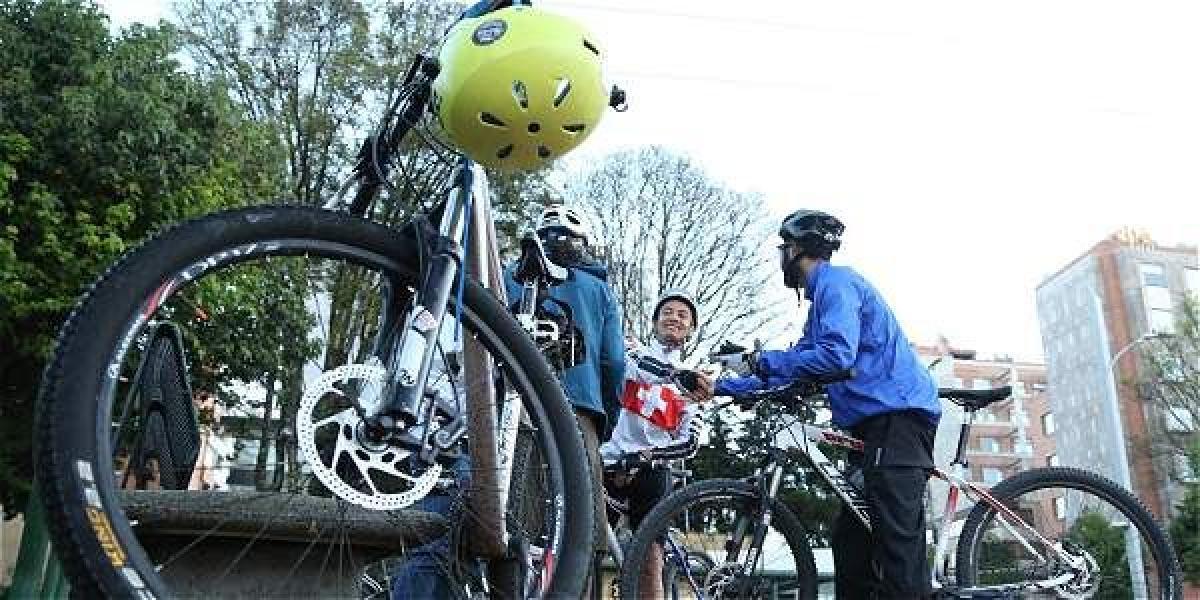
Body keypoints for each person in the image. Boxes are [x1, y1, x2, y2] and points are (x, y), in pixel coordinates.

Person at [709, 210, 941, 600]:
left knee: (898, 550)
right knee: (851, 546)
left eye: (783, 249)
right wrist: (720, 387)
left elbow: (837, 356)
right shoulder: (820, 311)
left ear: (796, 249)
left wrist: (759, 360)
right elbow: (793, 369)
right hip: (870, 427)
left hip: (897, 419)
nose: (781, 257)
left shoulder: (837, 284)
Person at [504, 202, 626, 587]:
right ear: (582, 244)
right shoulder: (599, 290)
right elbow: (614, 362)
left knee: (516, 515)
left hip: (516, 404)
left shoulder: (510, 275)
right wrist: (606, 414)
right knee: (583, 517)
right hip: (579, 410)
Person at [600, 289, 712, 597]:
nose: (674, 317)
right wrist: (679, 376)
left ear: (690, 330)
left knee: (651, 558)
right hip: (608, 460)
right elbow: (645, 367)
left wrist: (651, 454)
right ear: (654, 322)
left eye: (683, 315)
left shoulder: (692, 390)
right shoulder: (632, 351)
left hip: (651, 470)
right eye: (667, 312)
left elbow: (691, 442)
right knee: (588, 548)